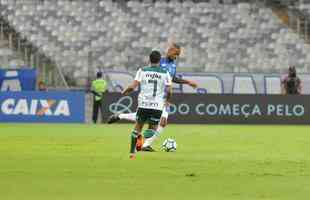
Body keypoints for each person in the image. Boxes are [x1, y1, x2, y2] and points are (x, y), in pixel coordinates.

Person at [107, 43, 197, 151]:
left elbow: (172, 78)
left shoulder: (173, 65)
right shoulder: (159, 61)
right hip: (155, 96)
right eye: (175, 54)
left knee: (157, 120)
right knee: (154, 120)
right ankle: (142, 142)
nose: (176, 57)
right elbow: (151, 74)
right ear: (170, 51)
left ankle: (143, 143)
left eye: (178, 55)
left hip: (163, 97)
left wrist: (188, 82)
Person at [122, 50, 172, 159]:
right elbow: (169, 90)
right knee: (153, 129)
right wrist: (167, 101)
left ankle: (132, 153)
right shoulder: (165, 72)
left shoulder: (142, 70)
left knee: (137, 127)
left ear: (149, 59)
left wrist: (125, 91)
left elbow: (133, 86)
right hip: (157, 106)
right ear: (159, 60)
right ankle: (142, 138)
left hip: (143, 104)